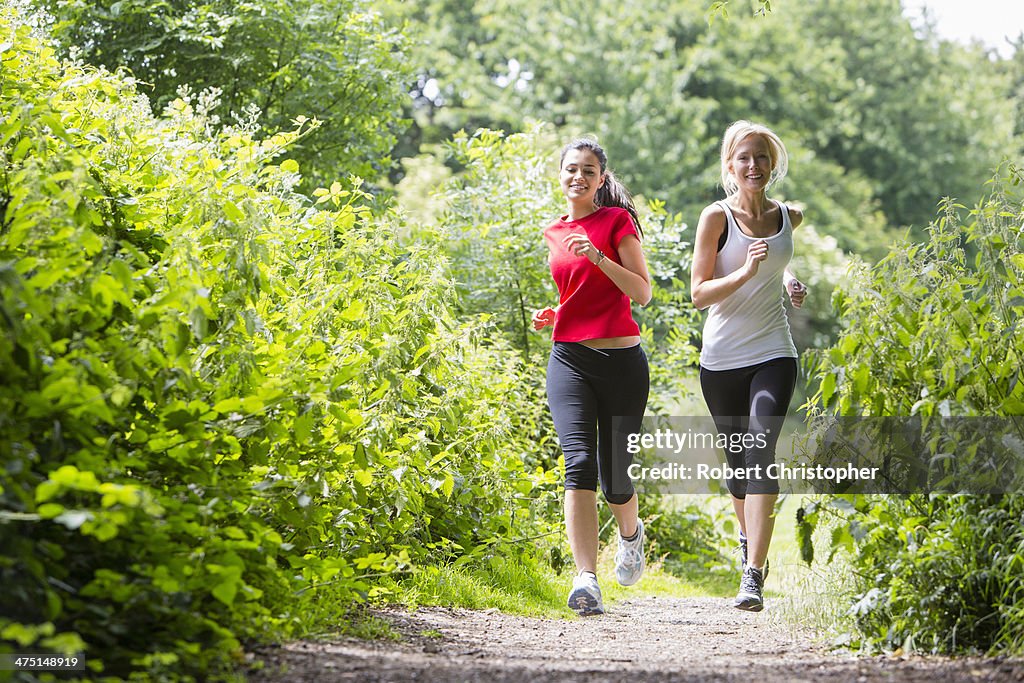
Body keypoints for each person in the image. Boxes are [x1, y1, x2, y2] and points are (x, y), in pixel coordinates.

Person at [532, 138, 653, 616]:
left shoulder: (616, 222)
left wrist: (601, 257)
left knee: (616, 479)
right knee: (577, 462)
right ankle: (586, 579)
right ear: (560, 176)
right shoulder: (553, 232)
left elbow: (642, 292)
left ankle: (631, 534)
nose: (577, 177)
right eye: (570, 170)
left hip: (622, 363)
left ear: (601, 179)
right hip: (569, 359)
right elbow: (578, 292)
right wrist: (557, 311)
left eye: (588, 170)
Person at [690, 120, 807, 612]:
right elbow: (698, 294)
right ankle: (747, 543)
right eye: (744, 158)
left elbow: (778, 258)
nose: (753, 166)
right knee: (739, 467)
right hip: (721, 361)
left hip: (774, 353)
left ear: (772, 163)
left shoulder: (789, 215)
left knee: (760, 451)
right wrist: (744, 272)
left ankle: (753, 574)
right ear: (730, 165)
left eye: (761, 157)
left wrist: (788, 281)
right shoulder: (715, 218)